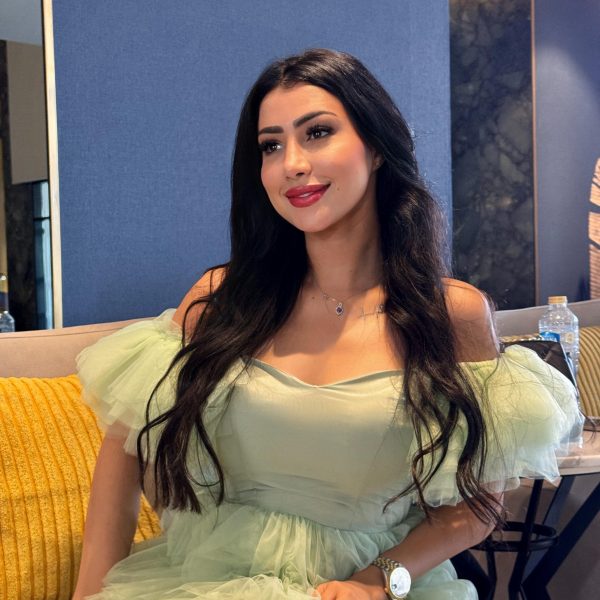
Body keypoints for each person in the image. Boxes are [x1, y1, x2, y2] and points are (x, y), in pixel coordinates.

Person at [72, 49, 580, 600]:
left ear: (376, 147)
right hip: (208, 584)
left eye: (317, 133)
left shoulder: (450, 315)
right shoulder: (221, 299)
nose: (291, 163)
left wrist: (378, 581)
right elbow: (124, 455)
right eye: (271, 146)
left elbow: (476, 507)